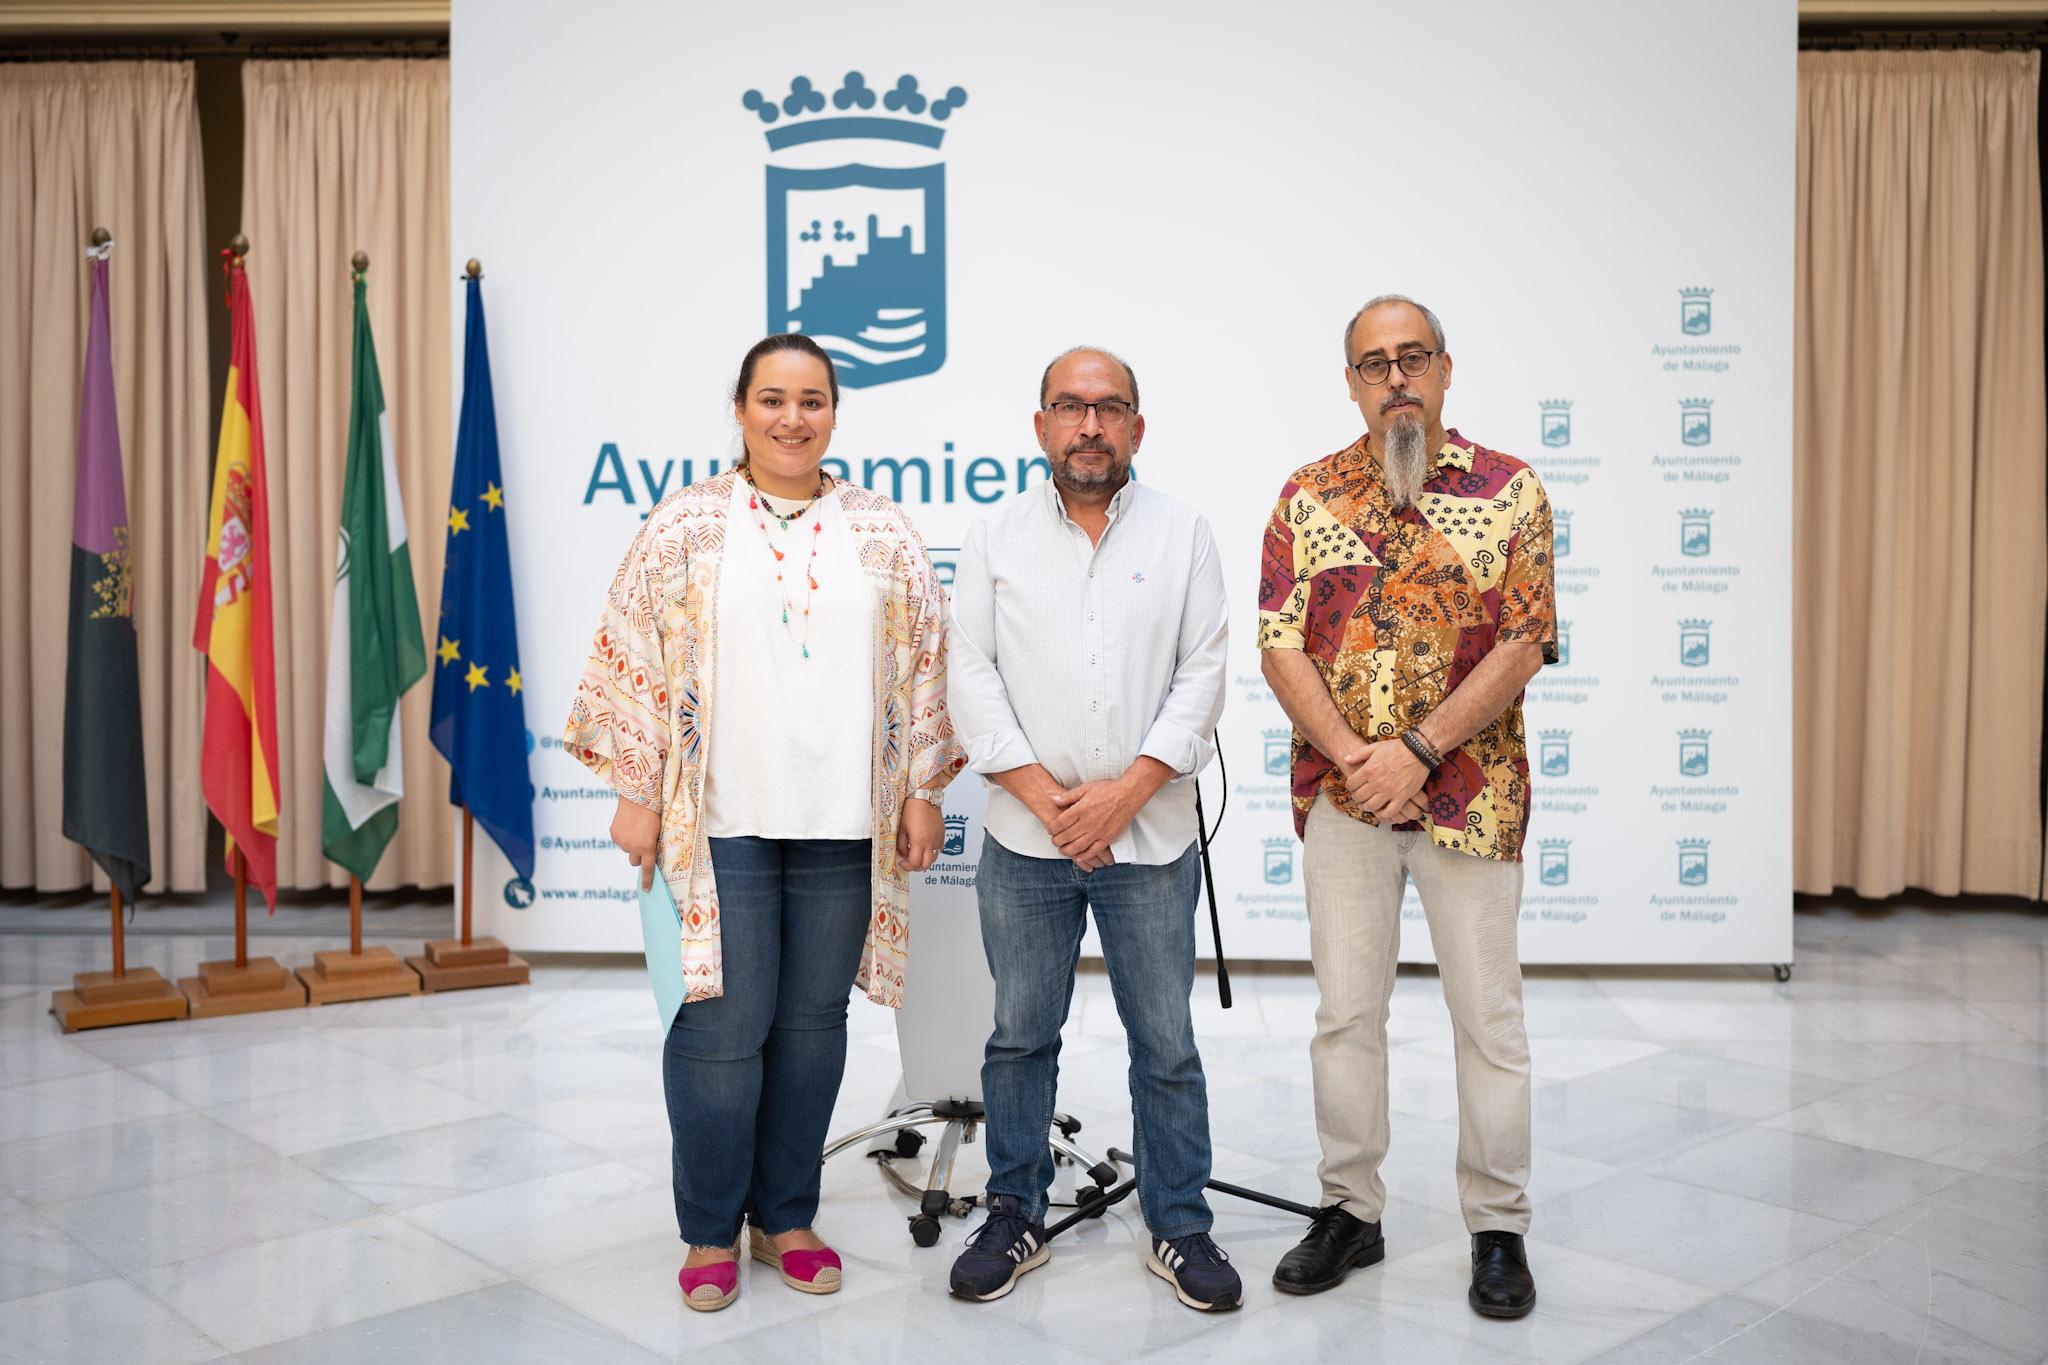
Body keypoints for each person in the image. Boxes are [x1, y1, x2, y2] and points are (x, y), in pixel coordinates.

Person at [563, 333, 966, 1312]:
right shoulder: (685, 527)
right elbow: (635, 656)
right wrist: (633, 789)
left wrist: (919, 791)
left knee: (809, 1024)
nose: (793, 417)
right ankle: (709, 1227)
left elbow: (923, 665)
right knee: (721, 1024)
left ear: (835, 412)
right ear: (739, 410)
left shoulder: (881, 531)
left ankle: (784, 1213)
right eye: (773, 399)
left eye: (812, 400)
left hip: (842, 819)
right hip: (721, 818)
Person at [1257, 295, 1555, 1318]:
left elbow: (1523, 642)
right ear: (1348, 381)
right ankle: (1350, 1210)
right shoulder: (1307, 495)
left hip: (1470, 797)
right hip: (1344, 803)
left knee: (1488, 1020)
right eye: (1372, 363)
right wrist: (1352, 756)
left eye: (1410, 358)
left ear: (1443, 369)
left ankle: (1498, 1229)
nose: (1394, 379)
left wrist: (1418, 750)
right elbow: (1279, 642)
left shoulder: (1509, 490)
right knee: (1346, 1016)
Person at [944, 346, 1237, 1310]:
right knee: (1020, 1037)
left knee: (1165, 1041)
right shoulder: (994, 537)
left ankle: (1181, 1223)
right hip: (1029, 840)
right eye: (1070, 407)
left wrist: (1124, 793)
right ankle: (1014, 1209)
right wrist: (1050, 797)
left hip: (1148, 839)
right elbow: (970, 677)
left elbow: (1203, 675)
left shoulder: (1184, 531)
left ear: (1137, 428)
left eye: (1110, 408)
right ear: (1040, 426)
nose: (1090, 425)